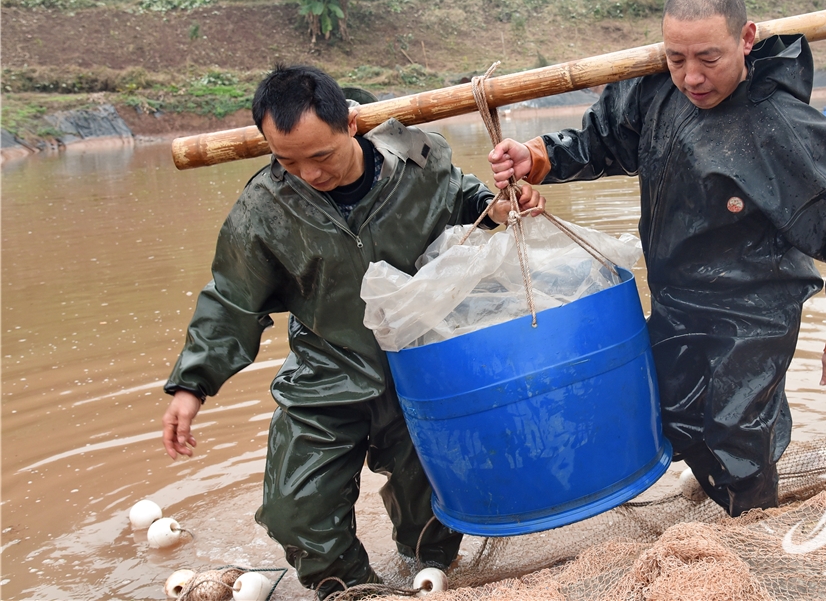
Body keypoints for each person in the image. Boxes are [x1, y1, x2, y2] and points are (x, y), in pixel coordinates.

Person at [489, 0, 826, 518]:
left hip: (755, 309)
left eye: (708, 58)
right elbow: (601, 140)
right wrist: (535, 158)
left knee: (735, 432)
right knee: (671, 418)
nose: (691, 77)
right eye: (676, 58)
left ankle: (756, 539)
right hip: (678, 297)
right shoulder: (655, 90)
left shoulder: (783, 130)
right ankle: (738, 473)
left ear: (746, 39)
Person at [161, 64, 544, 598]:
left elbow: (473, 206)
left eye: (321, 156)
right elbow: (231, 300)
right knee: (295, 512)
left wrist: (505, 205)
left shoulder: (420, 161)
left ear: (352, 124)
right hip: (328, 373)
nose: (310, 174)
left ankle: (431, 567)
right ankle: (353, 588)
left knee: (437, 500)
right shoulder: (263, 210)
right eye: (288, 161)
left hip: (421, 368)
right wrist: (191, 385)